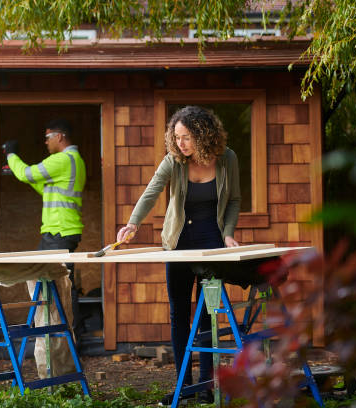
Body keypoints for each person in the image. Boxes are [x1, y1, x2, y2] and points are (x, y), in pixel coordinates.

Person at [116, 106, 241, 403]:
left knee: (209, 314)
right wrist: (133, 222)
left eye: (186, 137)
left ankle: (207, 385)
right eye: (177, 138)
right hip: (179, 243)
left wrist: (228, 233)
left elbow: (234, 199)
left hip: (213, 243)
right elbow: (152, 191)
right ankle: (183, 386)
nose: (181, 143)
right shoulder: (174, 161)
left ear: (203, 134)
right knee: (179, 314)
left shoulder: (228, 159)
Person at [3, 118, 86, 378]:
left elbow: (29, 174)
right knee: (57, 290)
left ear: (60, 137)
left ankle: (66, 349)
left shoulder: (62, 160)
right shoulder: (72, 163)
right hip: (58, 233)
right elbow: (42, 186)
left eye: (48, 137)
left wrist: (11, 154)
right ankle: (60, 349)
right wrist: (16, 171)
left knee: (59, 293)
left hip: (58, 234)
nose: (45, 142)